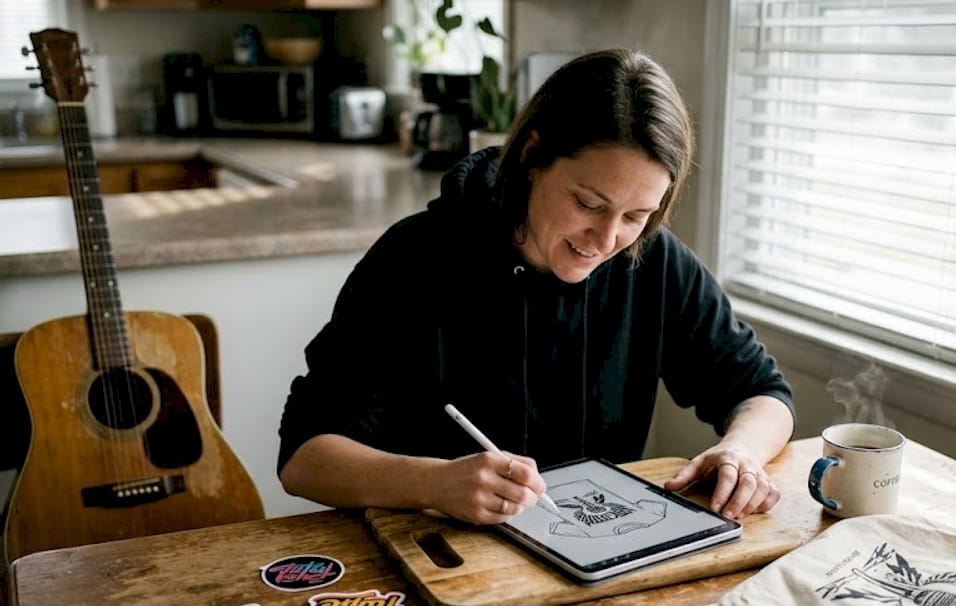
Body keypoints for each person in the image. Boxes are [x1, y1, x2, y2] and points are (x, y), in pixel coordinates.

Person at [277, 48, 795, 526]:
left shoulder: (653, 261)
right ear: (531, 156)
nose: (607, 239)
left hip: (590, 559)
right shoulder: (414, 259)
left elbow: (761, 393)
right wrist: (432, 483)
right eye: (589, 204)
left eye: (636, 214)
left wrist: (742, 450)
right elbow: (304, 457)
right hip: (432, 556)